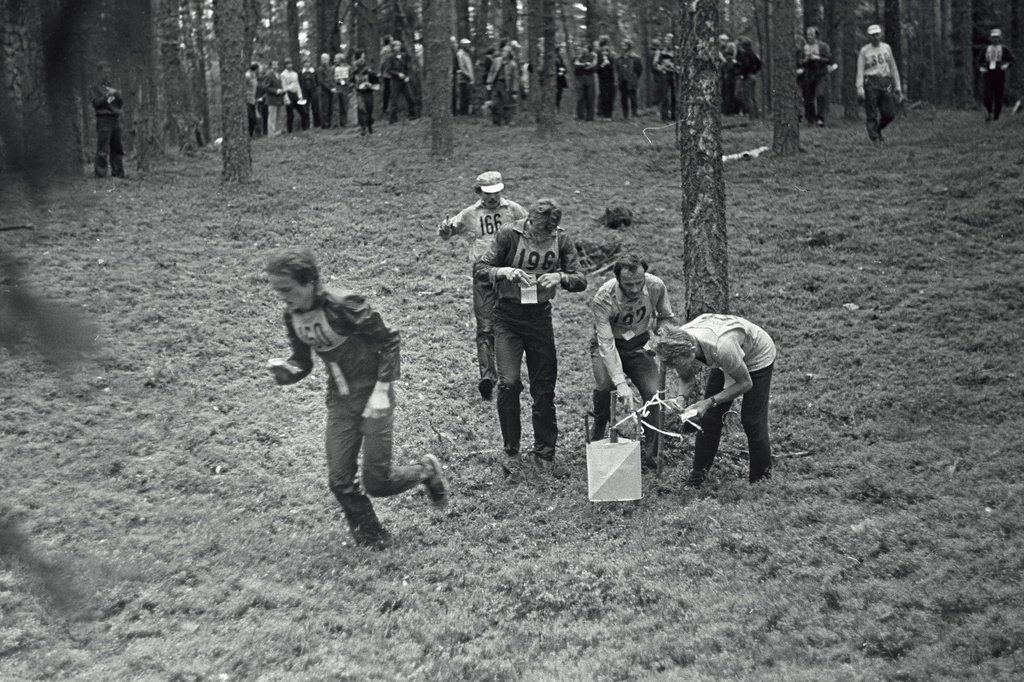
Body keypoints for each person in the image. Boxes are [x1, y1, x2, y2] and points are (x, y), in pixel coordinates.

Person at [264, 247, 450, 549]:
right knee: (339, 479)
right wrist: (288, 370)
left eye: (287, 289)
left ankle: (426, 471)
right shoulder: (292, 315)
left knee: (377, 483)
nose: (282, 298)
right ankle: (373, 538)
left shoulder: (343, 305)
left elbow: (390, 339)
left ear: (310, 281)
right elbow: (303, 361)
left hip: (376, 395)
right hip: (340, 401)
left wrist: (380, 392)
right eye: (277, 291)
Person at [474, 200, 587, 463]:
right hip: (508, 316)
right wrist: (505, 272)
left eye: (546, 234)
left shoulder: (562, 239)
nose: (540, 237)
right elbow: (480, 269)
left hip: (539, 317)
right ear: (529, 223)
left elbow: (580, 279)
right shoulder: (509, 234)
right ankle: (511, 449)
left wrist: (561, 277)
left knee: (544, 388)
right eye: (537, 232)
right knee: (509, 383)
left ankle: (545, 452)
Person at [438, 172, 529, 401]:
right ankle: (487, 376)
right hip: (484, 274)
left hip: (509, 273)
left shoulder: (514, 210)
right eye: (488, 193)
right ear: (479, 193)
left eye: (497, 192)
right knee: (485, 325)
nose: (493, 197)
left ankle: (510, 374)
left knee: (511, 323)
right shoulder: (471, 214)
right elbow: (449, 232)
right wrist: (446, 229)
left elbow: (531, 230)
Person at [658, 314, 776, 489]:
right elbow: (687, 379)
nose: (678, 368)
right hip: (726, 359)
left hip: (756, 355)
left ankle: (761, 482)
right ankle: (697, 477)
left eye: (679, 364)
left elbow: (745, 384)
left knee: (752, 420)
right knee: (710, 418)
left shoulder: (722, 348)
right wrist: (681, 398)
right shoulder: (678, 343)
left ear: (691, 351)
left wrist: (709, 402)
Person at [589, 255, 675, 469]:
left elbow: (665, 316)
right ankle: (598, 436)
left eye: (639, 282)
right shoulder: (603, 298)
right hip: (609, 344)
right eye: (628, 285)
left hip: (639, 345)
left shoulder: (656, 286)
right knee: (604, 388)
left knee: (654, 394)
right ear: (617, 280)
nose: (635, 289)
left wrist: (660, 336)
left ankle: (652, 455)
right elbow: (606, 344)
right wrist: (620, 383)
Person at [856, 24, 902, 143]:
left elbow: (893, 67)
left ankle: (878, 129)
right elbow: (860, 70)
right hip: (871, 82)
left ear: (880, 34)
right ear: (869, 37)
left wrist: (897, 86)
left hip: (886, 83)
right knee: (871, 111)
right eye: (872, 35)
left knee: (889, 112)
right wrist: (860, 87)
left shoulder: (886, 48)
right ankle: (875, 138)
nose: (875, 37)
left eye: (877, 34)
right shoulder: (864, 51)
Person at [92, 60, 124, 178]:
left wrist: (116, 95)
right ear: (99, 73)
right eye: (105, 72)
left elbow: (119, 104)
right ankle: (100, 174)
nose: (107, 75)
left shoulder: (112, 86)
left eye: (109, 72)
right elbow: (96, 103)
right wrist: (107, 96)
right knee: (103, 148)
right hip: (103, 119)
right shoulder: (96, 87)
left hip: (115, 119)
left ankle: (118, 173)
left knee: (117, 147)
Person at [797, 27, 833, 126]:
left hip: (821, 74)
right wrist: (806, 60)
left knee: (820, 94)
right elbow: (800, 61)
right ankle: (810, 118)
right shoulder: (804, 48)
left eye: (811, 34)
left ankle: (821, 117)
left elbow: (829, 59)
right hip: (808, 74)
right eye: (807, 34)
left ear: (816, 35)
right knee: (808, 97)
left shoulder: (823, 46)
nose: (809, 37)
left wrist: (818, 58)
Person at [978, 28, 1015, 122]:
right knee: (987, 96)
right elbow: (978, 61)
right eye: (993, 37)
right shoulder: (986, 49)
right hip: (988, 73)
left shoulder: (1004, 49)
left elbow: (1012, 59)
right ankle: (989, 112)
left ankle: (996, 117)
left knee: (998, 96)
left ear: (1000, 38)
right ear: (990, 38)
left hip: (999, 73)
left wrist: (1007, 65)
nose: (995, 39)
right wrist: (981, 67)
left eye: (997, 37)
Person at [487, 45, 518, 126]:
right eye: (503, 51)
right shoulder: (496, 61)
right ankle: (496, 121)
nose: (504, 53)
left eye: (506, 52)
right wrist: (489, 82)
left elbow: (515, 78)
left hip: (506, 85)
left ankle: (508, 121)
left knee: (507, 103)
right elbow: (491, 72)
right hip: (496, 83)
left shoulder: (513, 64)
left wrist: (514, 91)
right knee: (494, 103)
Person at [385, 40, 414, 124]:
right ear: (393, 48)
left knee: (410, 97)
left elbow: (408, 67)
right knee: (394, 100)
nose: (397, 48)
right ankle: (392, 118)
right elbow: (388, 70)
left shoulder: (404, 56)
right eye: (395, 46)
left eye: (399, 46)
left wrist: (407, 76)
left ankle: (412, 115)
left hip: (404, 80)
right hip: (395, 81)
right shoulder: (390, 57)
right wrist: (397, 74)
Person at [351, 53, 380, 135]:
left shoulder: (371, 73)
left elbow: (377, 85)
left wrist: (370, 85)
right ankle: (363, 127)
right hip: (359, 93)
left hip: (368, 93)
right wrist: (352, 85)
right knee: (361, 109)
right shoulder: (355, 72)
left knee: (369, 109)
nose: (361, 70)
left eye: (362, 68)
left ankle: (370, 124)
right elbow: (352, 81)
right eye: (359, 68)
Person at [734, 37, 761, 119]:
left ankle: (752, 117)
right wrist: (754, 72)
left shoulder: (745, 54)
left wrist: (744, 74)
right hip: (753, 76)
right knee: (752, 97)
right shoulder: (753, 53)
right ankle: (755, 116)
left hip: (747, 77)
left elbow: (746, 65)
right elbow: (759, 64)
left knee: (746, 97)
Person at [617, 40, 643, 120]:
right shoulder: (619, 58)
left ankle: (634, 114)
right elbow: (617, 69)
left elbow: (639, 70)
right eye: (622, 45)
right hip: (622, 80)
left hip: (631, 80)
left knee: (633, 98)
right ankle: (625, 115)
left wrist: (634, 78)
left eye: (624, 45)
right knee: (623, 98)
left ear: (629, 46)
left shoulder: (636, 58)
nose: (623, 47)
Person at [574, 41, 597, 121]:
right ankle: (580, 115)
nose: (584, 49)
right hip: (580, 79)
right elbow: (576, 66)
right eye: (583, 47)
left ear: (589, 48)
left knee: (590, 97)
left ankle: (590, 116)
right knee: (580, 97)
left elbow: (593, 67)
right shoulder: (579, 57)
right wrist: (584, 65)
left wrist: (585, 66)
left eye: (585, 47)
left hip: (590, 79)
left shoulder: (593, 56)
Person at [280, 59, 305, 133]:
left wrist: (300, 95)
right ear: (285, 65)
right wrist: (286, 98)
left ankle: (304, 129)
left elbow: (297, 85)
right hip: (288, 94)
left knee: (303, 112)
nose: (289, 65)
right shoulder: (283, 74)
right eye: (287, 64)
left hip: (295, 94)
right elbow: (283, 86)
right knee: (290, 115)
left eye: (290, 64)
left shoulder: (295, 74)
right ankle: (289, 131)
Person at [262, 60, 285, 137]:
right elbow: (266, 87)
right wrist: (276, 91)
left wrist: (283, 90)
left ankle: (278, 132)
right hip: (272, 99)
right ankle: (271, 134)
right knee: (272, 116)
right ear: (271, 66)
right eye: (274, 65)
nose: (276, 66)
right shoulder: (268, 75)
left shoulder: (279, 75)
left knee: (279, 116)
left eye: (277, 65)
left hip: (279, 99)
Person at [595, 37, 616, 120]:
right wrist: (602, 64)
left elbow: (613, 70)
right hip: (602, 80)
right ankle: (603, 115)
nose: (604, 53)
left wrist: (608, 64)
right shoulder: (599, 60)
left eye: (606, 51)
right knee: (603, 97)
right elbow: (597, 70)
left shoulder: (611, 59)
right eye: (603, 51)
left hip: (610, 80)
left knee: (609, 97)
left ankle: (609, 115)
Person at [299, 59, 320, 129]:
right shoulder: (300, 72)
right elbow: (299, 82)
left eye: (308, 62)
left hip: (314, 91)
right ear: (303, 64)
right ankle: (305, 126)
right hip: (304, 92)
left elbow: (317, 81)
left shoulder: (314, 72)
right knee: (305, 109)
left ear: (310, 63)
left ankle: (317, 125)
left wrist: (316, 89)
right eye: (305, 63)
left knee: (315, 108)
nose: (307, 64)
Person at [456, 38, 474, 115]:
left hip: (468, 78)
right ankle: (462, 112)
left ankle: (466, 111)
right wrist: (467, 75)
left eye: (469, 45)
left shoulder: (467, 55)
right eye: (466, 45)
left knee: (467, 95)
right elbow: (461, 66)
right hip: (463, 78)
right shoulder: (460, 54)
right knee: (463, 95)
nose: (468, 47)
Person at [332, 53, 351, 128]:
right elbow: (331, 78)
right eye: (335, 59)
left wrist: (349, 88)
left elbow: (350, 77)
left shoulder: (348, 67)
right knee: (335, 106)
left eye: (337, 59)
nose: (335, 60)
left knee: (344, 105)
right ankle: (335, 123)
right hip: (336, 88)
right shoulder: (333, 68)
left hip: (344, 89)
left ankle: (344, 123)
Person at [317, 53, 335, 128]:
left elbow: (331, 79)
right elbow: (321, 81)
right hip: (324, 91)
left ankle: (330, 122)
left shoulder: (330, 68)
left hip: (331, 90)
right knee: (325, 107)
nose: (325, 61)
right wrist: (330, 88)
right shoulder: (319, 69)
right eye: (324, 59)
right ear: (321, 60)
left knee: (330, 107)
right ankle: (325, 124)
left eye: (326, 59)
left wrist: (333, 87)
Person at [720, 43, 739, 115]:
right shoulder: (731, 59)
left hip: (727, 79)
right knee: (730, 95)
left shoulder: (726, 58)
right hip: (730, 79)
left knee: (727, 95)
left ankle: (727, 111)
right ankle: (729, 110)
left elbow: (728, 68)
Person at [245, 62, 261, 137]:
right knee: (251, 118)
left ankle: (250, 135)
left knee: (254, 119)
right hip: (247, 100)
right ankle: (248, 134)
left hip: (253, 100)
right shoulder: (247, 75)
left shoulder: (254, 75)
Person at [555, 46, 569, 111]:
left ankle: (558, 107)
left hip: (560, 78)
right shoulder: (555, 59)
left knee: (560, 93)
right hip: (556, 79)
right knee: (556, 93)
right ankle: (556, 107)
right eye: (561, 51)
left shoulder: (561, 59)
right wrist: (558, 71)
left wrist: (563, 71)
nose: (562, 52)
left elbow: (565, 68)